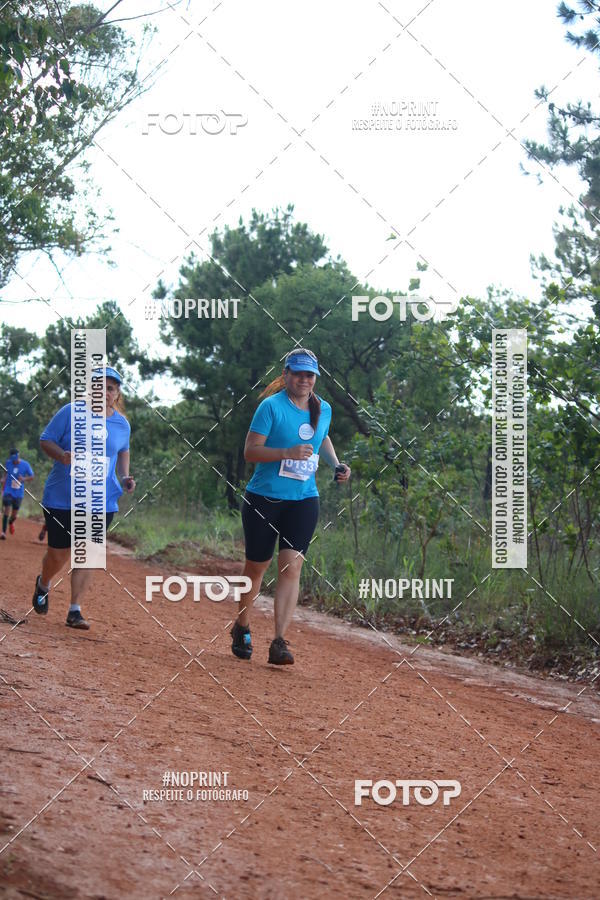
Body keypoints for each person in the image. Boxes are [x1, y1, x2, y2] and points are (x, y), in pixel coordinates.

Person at [231, 348, 350, 665]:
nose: (303, 379)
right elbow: (250, 452)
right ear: (285, 375)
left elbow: (322, 439)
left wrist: (336, 464)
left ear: (315, 379)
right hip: (264, 498)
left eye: (309, 375)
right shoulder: (270, 408)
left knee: (291, 566)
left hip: (304, 499)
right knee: (257, 567)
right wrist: (286, 452)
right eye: (297, 373)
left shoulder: (322, 408)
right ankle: (242, 625)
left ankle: (279, 641)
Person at [32, 366, 135, 629]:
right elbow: (46, 440)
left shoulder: (122, 424)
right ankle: (43, 583)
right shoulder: (70, 412)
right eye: (100, 386)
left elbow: (122, 454)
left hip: (102, 500)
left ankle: (74, 610)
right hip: (62, 497)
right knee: (59, 553)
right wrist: (62, 455)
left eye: (111, 388)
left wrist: (124, 478)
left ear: (117, 393)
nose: (105, 392)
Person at [1, 448, 34, 539]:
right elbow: (5, 474)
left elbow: (32, 476)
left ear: (18, 456)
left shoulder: (25, 465)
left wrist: (23, 479)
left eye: (15, 459)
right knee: (7, 508)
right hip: (8, 490)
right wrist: (3, 482)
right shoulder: (8, 463)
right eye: (13, 460)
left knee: (14, 514)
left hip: (18, 492)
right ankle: (3, 532)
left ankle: (11, 522)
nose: (14, 461)